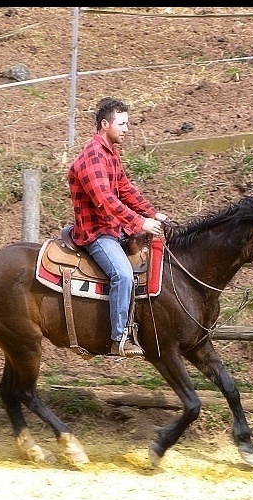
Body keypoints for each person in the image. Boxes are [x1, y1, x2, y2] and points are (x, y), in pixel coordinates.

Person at [68, 97, 167, 357]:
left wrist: (152, 212)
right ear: (104, 124)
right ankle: (119, 336)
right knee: (122, 275)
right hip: (96, 233)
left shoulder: (111, 153)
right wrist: (140, 222)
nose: (126, 129)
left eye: (127, 124)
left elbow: (124, 188)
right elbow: (105, 201)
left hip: (114, 229)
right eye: (121, 124)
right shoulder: (92, 156)